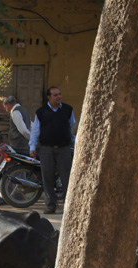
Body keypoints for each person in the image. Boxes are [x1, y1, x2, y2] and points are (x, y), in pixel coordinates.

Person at [29, 86, 76, 214]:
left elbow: (71, 128)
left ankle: (68, 206)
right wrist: (32, 147)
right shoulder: (41, 112)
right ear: (49, 97)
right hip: (47, 149)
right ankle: (50, 205)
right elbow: (35, 131)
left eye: (60, 94)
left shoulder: (68, 110)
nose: (59, 97)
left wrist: (75, 144)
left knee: (66, 177)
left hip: (64, 148)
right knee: (47, 177)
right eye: (55, 95)